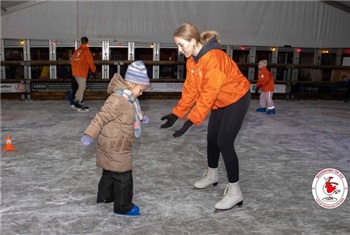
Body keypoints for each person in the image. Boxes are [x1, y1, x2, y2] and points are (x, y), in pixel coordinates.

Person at [160, 23, 251, 212]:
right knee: (212, 139)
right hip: (219, 99)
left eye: (181, 45)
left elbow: (208, 95)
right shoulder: (192, 60)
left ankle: (235, 192)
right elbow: (191, 91)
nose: (179, 50)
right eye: (177, 45)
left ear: (193, 41)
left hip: (236, 98)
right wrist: (177, 114)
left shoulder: (214, 58)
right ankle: (212, 175)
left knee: (224, 142)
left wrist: (191, 120)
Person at [80, 60, 149, 217]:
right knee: (123, 175)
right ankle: (123, 206)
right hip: (116, 144)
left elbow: (131, 112)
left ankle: (105, 197)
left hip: (112, 141)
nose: (142, 92)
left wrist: (142, 116)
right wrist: (89, 134)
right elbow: (101, 117)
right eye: (141, 89)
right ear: (131, 84)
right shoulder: (118, 99)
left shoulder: (129, 99)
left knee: (110, 171)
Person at [71, 36, 96, 112]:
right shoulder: (86, 51)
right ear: (87, 42)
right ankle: (79, 102)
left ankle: (76, 99)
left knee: (82, 86)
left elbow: (72, 61)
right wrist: (93, 70)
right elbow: (90, 62)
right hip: (81, 71)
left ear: (81, 42)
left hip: (75, 71)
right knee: (82, 87)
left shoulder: (77, 50)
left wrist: (73, 70)